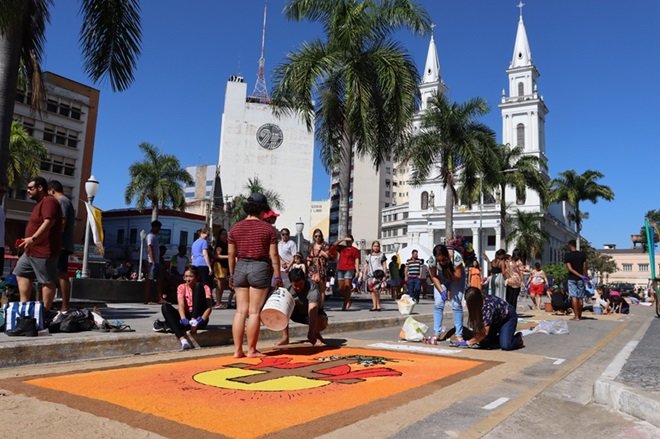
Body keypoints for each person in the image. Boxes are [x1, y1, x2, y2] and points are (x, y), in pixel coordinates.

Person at [228, 193, 280, 358]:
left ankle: (237, 350)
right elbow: (274, 256)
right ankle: (251, 350)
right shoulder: (268, 229)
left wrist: (232, 274)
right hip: (260, 267)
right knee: (254, 312)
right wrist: (277, 276)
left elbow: (231, 255)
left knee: (240, 311)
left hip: (240, 267)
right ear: (262, 210)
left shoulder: (235, 227)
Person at [14, 177, 62, 310]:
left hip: (44, 251)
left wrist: (33, 238)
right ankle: (24, 307)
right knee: (21, 273)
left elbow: (48, 221)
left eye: (31, 188)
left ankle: (45, 312)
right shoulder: (39, 203)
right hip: (30, 251)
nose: (28, 191)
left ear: (40, 188)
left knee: (46, 281)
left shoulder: (49, 201)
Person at [156, 266, 213, 351]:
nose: (188, 279)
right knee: (165, 307)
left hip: (199, 316)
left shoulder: (205, 287)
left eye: (190, 276)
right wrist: (183, 318)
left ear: (197, 277)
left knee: (198, 286)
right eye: (186, 276)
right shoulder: (181, 287)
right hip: (187, 316)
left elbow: (209, 307)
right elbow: (181, 304)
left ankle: (172, 324)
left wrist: (201, 319)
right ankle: (183, 340)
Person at [276, 268, 328, 346]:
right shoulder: (285, 287)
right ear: (291, 282)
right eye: (295, 286)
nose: (298, 288)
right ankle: (285, 337)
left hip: (310, 313)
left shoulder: (312, 288)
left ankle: (314, 333)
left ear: (305, 280)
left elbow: (312, 311)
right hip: (294, 312)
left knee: (322, 321)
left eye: (301, 284)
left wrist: (311, 334)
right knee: (282, 308)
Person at [428, 244, 466, 344]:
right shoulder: (432, 260)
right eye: (439, 260)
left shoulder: (456, 258)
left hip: (456, 278)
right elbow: (433, 276)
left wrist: (448, 273)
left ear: (447, 256)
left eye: (443, 260)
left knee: (456, 304)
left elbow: (457, 276)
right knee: (438, 304)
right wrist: (441, 290)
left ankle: (459, 334)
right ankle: (437, 333)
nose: (441, 262)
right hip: (441, 278)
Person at [47, 180, 75, 312]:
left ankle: (65, 305)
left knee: (61, 273)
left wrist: (55, 237)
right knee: (57, 273)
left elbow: (62, 221)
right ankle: (60, 304)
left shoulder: (62, 201)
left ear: (52, 190)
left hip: (61, 244)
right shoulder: (66, 201)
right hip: (63, 243)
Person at [331, 235, 360, 310]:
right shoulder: (342, 248)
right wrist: (342, 239)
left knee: (347, 287)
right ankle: (348, 300)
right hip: (340, 269)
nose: (348, 242)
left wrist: (357, 271)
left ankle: (344, 305)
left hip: (350, 269)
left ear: (352, 241)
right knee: (340, 288)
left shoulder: (355, 250)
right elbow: (333, 245)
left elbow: (356, 261)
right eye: (347, 241)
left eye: (350, 240)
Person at [564, 239, 588, 320]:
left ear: (570, 246)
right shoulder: (582, 254)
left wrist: (580, 275)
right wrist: (585, 276)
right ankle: (580, 315)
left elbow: (570, 269)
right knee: (580, 297)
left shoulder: (568, 256)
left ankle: (576, 316)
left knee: (574, 296)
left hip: (572, 278)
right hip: (581, 279)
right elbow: (584, 267)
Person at [363, 240, 387, 312]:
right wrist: (364, 274)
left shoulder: (382, 255)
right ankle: (374, 306)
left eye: (377, 246)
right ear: (372, 247)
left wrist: (384, 275)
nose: (376, 247)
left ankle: (378, 305)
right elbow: (366, 266)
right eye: (375, 246)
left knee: (376, 290)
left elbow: (384, 265)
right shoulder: (369, 256)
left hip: (379, 274)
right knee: (372, 290)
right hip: (371, 275)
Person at [307, 228, 330, 299]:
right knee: (312, 288)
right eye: (316, 236)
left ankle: (321, 307)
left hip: (321, 268)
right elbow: (308, 256)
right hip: (313, 269)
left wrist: (322, 253)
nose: (318, 237)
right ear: (313, 237)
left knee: (322, 289)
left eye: (319, 236)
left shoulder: (325, 245)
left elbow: (328, 256)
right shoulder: (311, 245)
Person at [144, 220, 163, 304]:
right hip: (152, 262)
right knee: (150, 280)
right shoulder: (150, 236)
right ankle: (147, 299)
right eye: (158, 228)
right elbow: (149, 249)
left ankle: (159, 298)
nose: (159, 230)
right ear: (154, 227)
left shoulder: (154, 236)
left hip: (155, 262)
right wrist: (153, 262)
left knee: (158, 280)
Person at [212, 228, 230, 309]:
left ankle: (219, 301)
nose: (225, 235)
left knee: (222, 285)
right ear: (219, 236)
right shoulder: (219, 245)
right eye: (223, 234)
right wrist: (229, 257)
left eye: (226, 234)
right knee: (219, 285)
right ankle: (218, 302)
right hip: (219, 265)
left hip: (225, 265)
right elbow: (217, 255)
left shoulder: (227, 243)